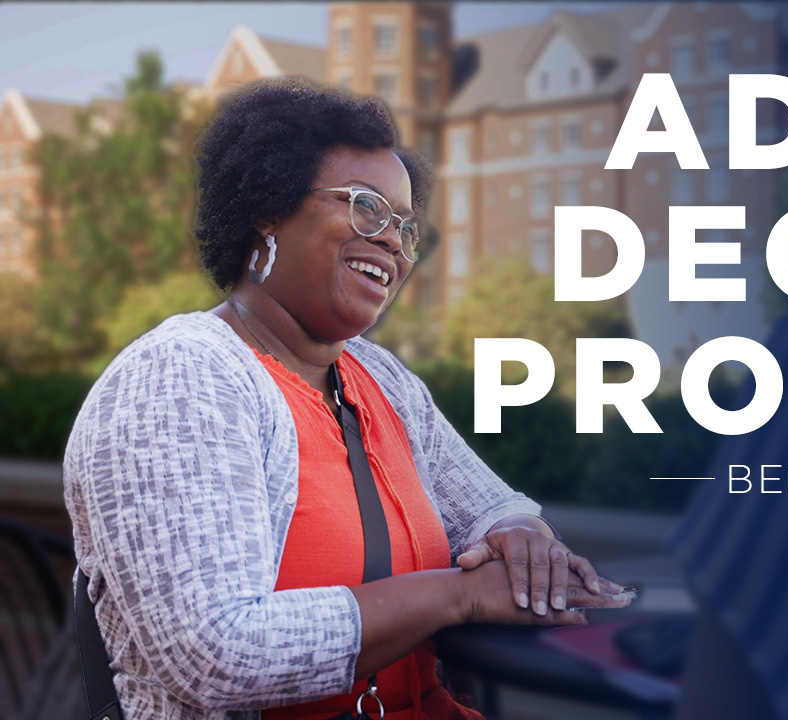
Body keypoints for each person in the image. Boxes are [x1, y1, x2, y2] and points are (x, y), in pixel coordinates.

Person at [61, 79, 631, 720]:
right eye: (367, 208)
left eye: (406, 227)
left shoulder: (379, 378)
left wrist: (522, 536)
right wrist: (457, 597)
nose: (394, 241)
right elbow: (216, 653)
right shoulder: (179, 377)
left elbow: (490, 508)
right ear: (267, 208)